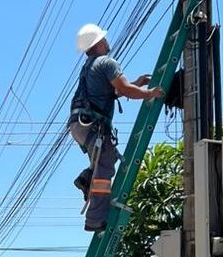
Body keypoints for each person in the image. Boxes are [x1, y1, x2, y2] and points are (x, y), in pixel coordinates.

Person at [68, 23, 164, 232]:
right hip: (92, 124)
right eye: (104, 38)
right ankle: (95, 220)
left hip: (79, 124)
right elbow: (123, 89)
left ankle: (86, 179)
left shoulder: (89, 67)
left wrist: (137, 83)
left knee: (100, 162)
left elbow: (113, 92)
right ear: (99, 42)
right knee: (104, 170)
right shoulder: (106, 63)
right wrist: (150, 93)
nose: (107, 40)